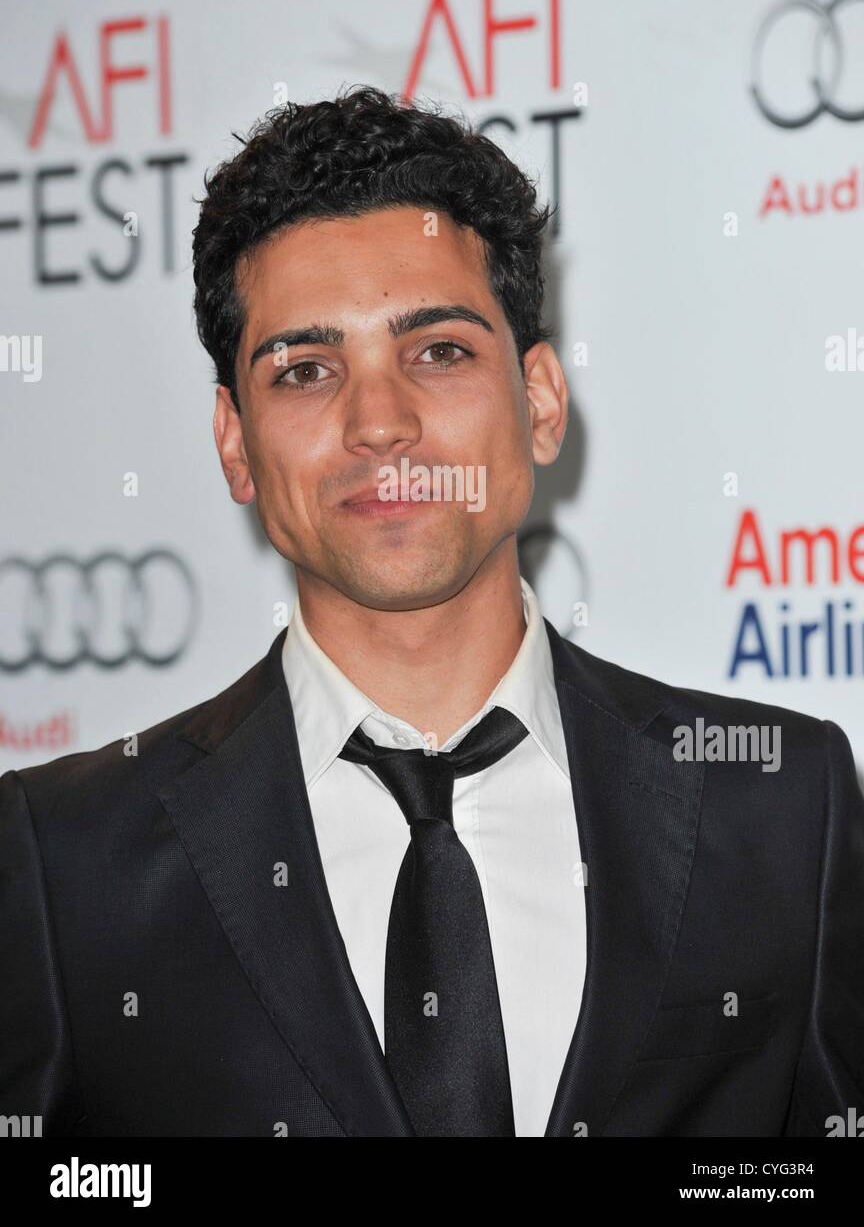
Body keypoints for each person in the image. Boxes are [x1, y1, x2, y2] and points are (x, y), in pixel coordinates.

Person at [1, 86, 862, 1138]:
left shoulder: (779, 804)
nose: (379, 423)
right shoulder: (64, 860)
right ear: (234, 441)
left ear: (540, 400)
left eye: (440, 350)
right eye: (307, 369)